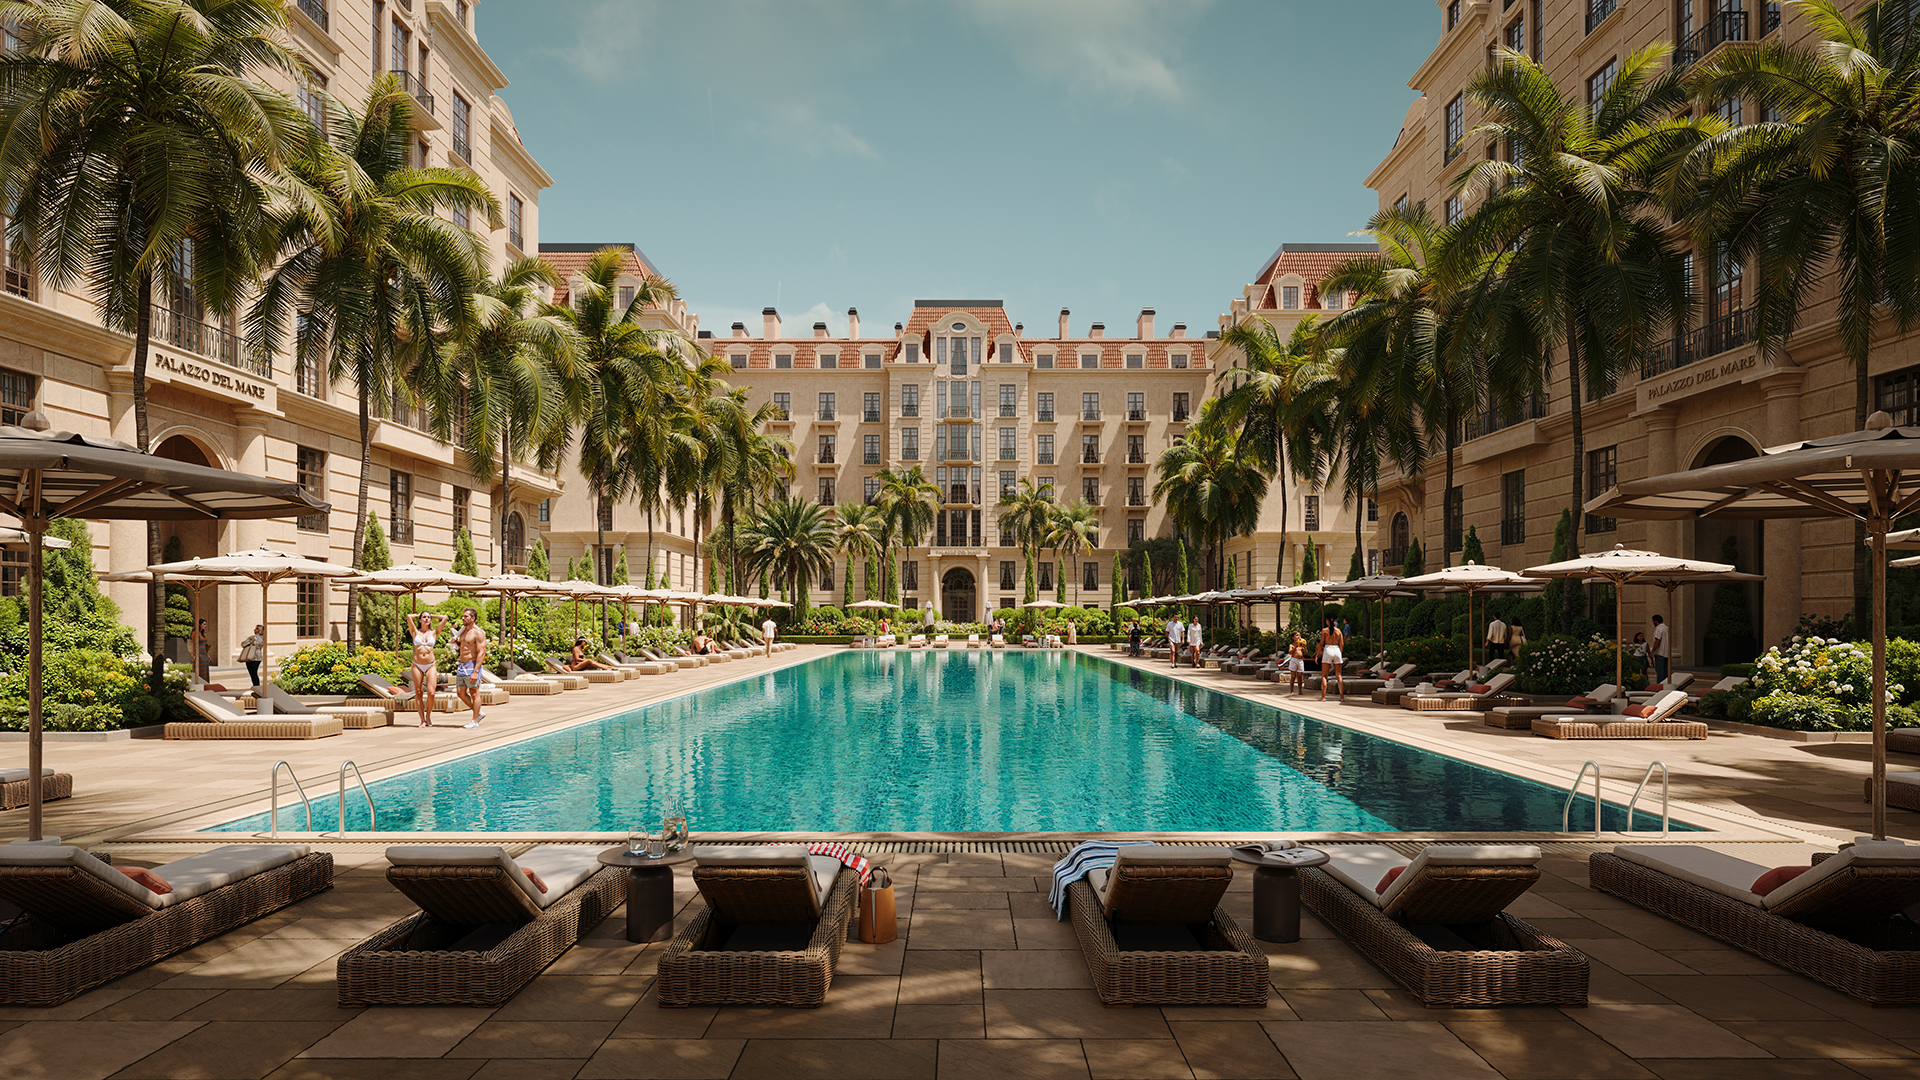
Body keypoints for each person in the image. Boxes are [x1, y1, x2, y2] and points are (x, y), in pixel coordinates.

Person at [406, 611, 448, 728]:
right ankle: (422, 720)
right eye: (424, 617)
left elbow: (444, 617)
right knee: (418, 693)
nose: (427, 619)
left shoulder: (434, 633)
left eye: (428, 618)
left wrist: (432, 615)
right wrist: (420, 614)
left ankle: (428, 715)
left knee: (431, 692)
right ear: (419, 620)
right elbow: (409, 617)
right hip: (417, 665)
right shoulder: (414, 631)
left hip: (430, 665)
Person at [453, 607, 488, 729]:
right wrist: (456, 642)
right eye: (463, 616)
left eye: (466, 616)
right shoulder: (463, 631)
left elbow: (481, 653)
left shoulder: (478, 633)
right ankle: (478, 713)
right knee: (460, 693)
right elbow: (464, 646)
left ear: (473, 618)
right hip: (462, 665)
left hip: (472, 665)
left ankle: (474, 721)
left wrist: (476, 671)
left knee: (474, 693)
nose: (463, 618)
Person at [1318, 615, 1346, 702]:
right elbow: (1342, 644)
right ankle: (1342, 697)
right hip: (1336, 650)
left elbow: (1321, 643)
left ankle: (1323, 697)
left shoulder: (1324, 630)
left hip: (1328, 650)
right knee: (1339, 675)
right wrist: (1340, 653)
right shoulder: (1338, 631)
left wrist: (1317, 654)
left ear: (1327, 621)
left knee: (1325, 675)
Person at [239, 624, 266, 688]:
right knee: (255, 673)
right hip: (258, 657)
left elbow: (243, 644)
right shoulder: (264, 638)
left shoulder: (252, 637)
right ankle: (257, 687)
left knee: (252, 673)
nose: (254, 630)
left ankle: (256, 687)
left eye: (256, 628)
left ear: (258, 630)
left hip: (250, 657)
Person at [1650, 614, 1670, 683]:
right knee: (1665, 671)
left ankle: (1660, 685)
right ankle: (1666, 684)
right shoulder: (1667, 628)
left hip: (1660, 652)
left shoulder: (1659, 629)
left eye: (1653, 621)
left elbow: (1657, 640)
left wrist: (1652, 651)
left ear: (1656, 621)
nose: (1653, 623)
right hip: (1667, 652)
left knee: (1660, 671)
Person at [1288, 631, 1309, 696]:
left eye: (1299, 635)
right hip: (1294, 660)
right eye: (1297, 635)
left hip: (1300, 660)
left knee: (1300, 677)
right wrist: (1296, 646)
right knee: (1293, 676)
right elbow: (1290, 652)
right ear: (1293, 638)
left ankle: (1300, 691)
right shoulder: (1291, 645)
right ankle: (1292, 691)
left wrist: (1304, 647)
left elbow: (1306, 653)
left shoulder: (1301, 645)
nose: (1298, 637)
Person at [193, 617, 212, 682]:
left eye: (206, 624)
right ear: (200, 625)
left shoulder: (202, 634)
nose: (205, 626)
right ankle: (199, 683)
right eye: (204, 624)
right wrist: (194, 655)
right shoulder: (195, 632)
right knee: (199, 670)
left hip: (204, 655)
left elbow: (204, 645)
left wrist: (207, 655)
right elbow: (194, 644)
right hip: (199, 654)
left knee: (205, 670)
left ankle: (205, 683)